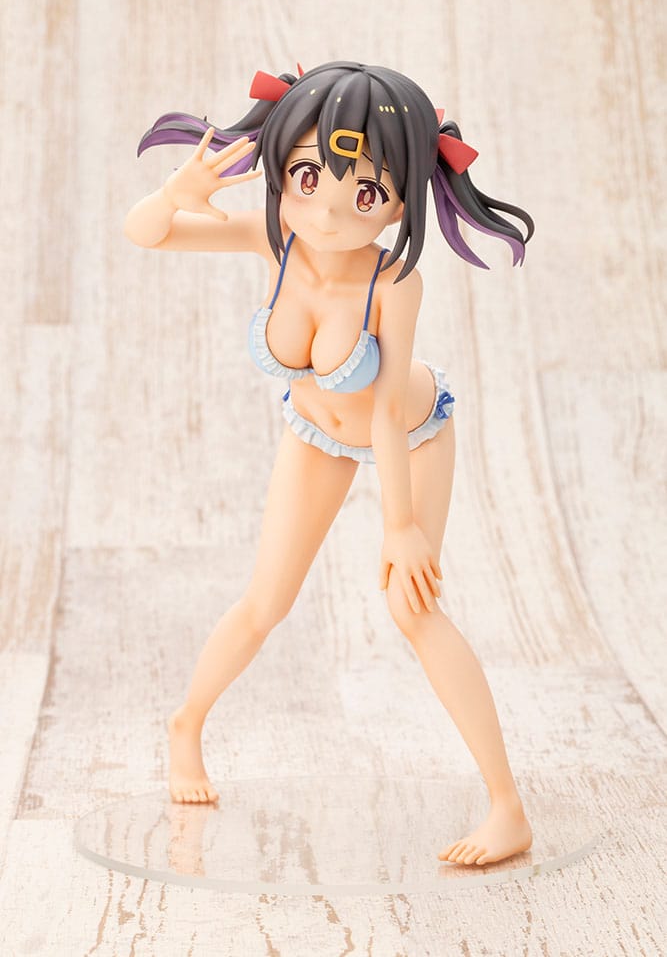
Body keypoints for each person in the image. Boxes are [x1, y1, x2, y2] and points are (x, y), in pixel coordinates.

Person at [124, 60, 535, 867]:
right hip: (314, 433)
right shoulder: (273, 240)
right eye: (307, 178)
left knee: (413, 610)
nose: (330, 212)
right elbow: (147, 234)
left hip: (411, 434)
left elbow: (384, 410)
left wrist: (400, 526)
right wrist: (176, 191)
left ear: (404, 197)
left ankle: (507, 807)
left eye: (368, 192)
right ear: (282, 167)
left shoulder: (393, 279)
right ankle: (185, 726)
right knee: (264, 602)